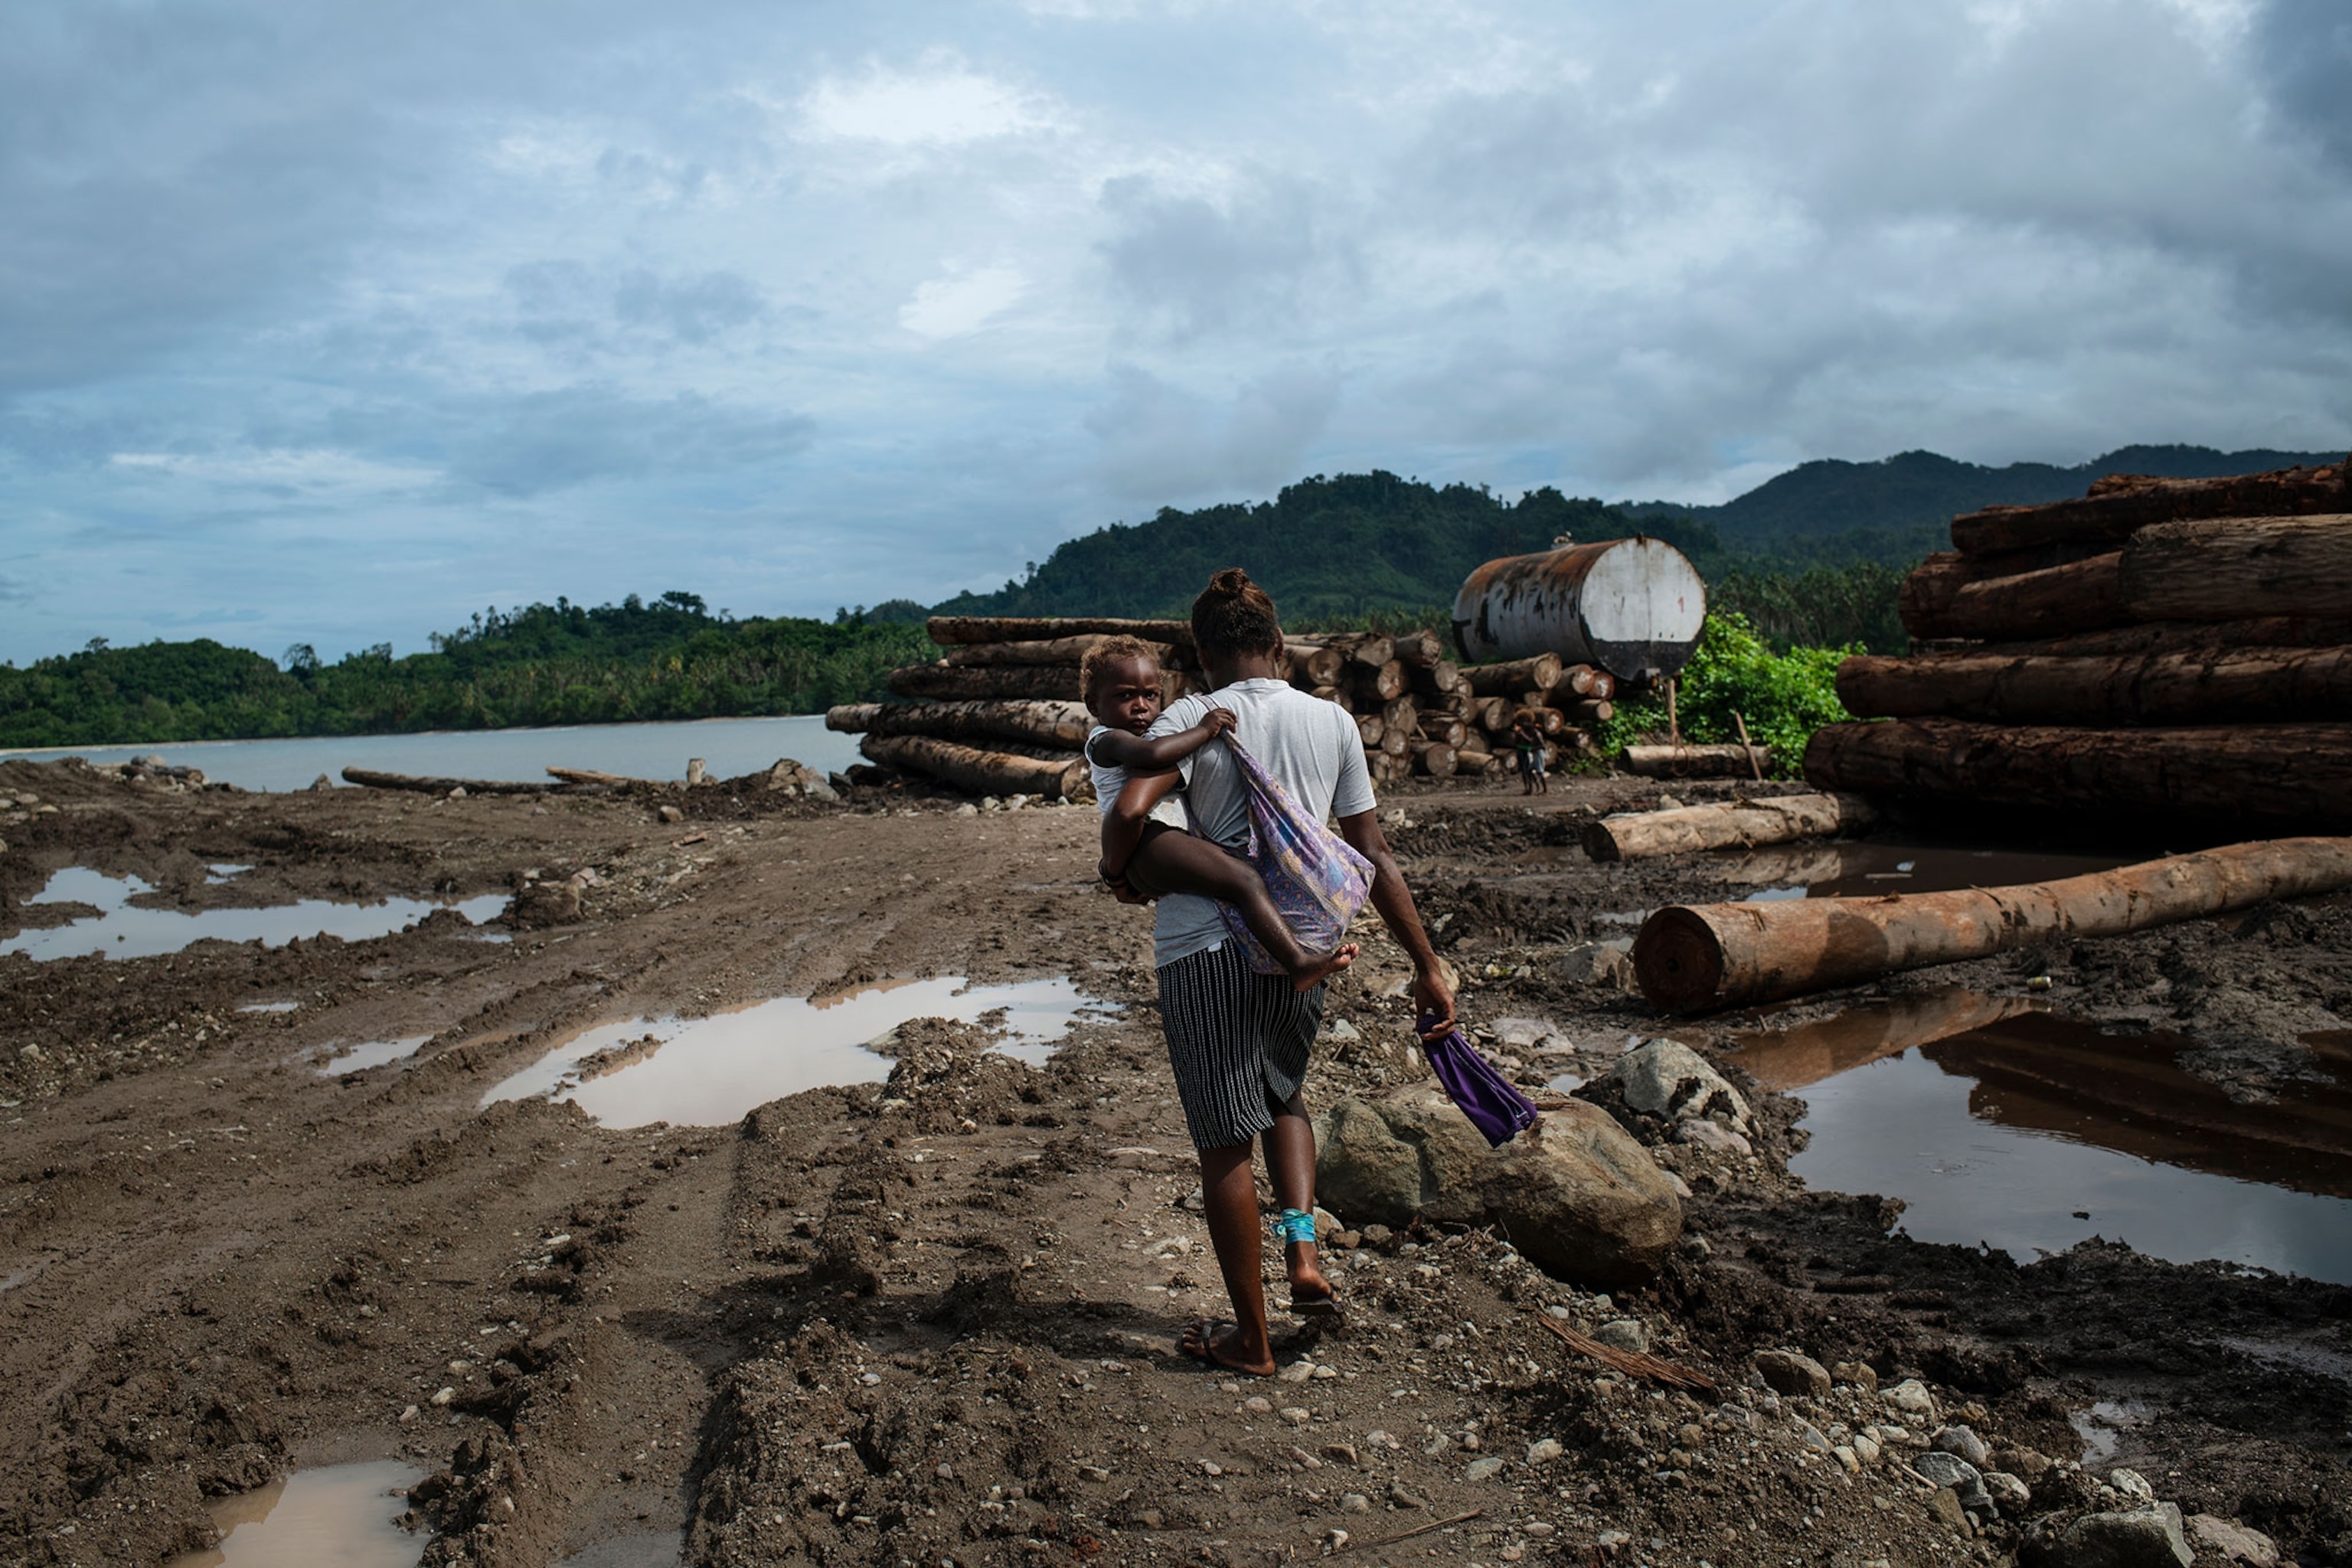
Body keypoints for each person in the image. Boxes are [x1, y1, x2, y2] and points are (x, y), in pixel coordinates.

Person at [1102, 568, 1457, 1377]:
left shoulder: (1190, 717)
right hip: (1307, 941)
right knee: (1284, 1096)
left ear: (1202, 651)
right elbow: (1375, 853)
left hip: (1207, 945)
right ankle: (1302, 1253)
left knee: (1225, 1139)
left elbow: (1133, 817)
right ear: (1278, 645)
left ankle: (1252, 1339)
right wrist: (1427, 966)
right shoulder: (1333, 721)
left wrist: (1118, 871)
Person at [1080, 636, 1357, 994]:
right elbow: (1151, 757)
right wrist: (1203, 730)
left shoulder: (1145, 729)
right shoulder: (1105, 740)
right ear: (1092, 704)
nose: (1140, 707)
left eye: (1150, 695)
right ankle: (1298, 963)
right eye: (1125, 696)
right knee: (1244, 880)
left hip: (1158, 841)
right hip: (1147, 842)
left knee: (1237, 875)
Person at [1511, 710, 1547, 796]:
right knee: (1525, 770)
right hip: (1521, 749)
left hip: (1528, 750)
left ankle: (1536, 789)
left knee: (1532, 770)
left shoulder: (1531, 728)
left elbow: (1530, 740)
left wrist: (1520, 733)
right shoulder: (1523, 727)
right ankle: (1529, 788)